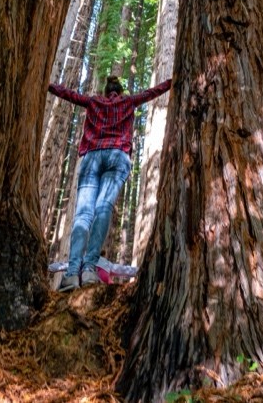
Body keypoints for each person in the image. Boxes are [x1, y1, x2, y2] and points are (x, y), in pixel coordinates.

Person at [47, 74, 172, 291]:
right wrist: (171, 81)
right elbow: (152, 92)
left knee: (83, 214)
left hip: (92, 156)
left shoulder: (94, 101)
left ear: (106, 92)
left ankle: (70, 274)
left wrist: (47, 85)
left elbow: (69, 95)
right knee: (103, 208)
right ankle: (88, 270)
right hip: (117, 155)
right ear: (120, 91)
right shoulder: (128, 101)